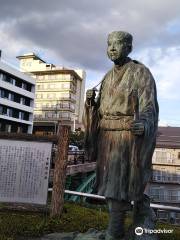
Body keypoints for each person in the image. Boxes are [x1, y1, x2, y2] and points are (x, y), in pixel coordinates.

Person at [83, 31, 159, 240]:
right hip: (106, 137)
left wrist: (143, 123)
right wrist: (90, 103)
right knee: (110, 184)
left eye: (118, 44)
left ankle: (115, 231)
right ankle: (137, 214)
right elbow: (99, 111)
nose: (112, 48)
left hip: (126, 138)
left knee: (118, 184)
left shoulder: (141, 72)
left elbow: (149, 106)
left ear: (129, 48)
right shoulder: (107, 77)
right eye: (109, 44)